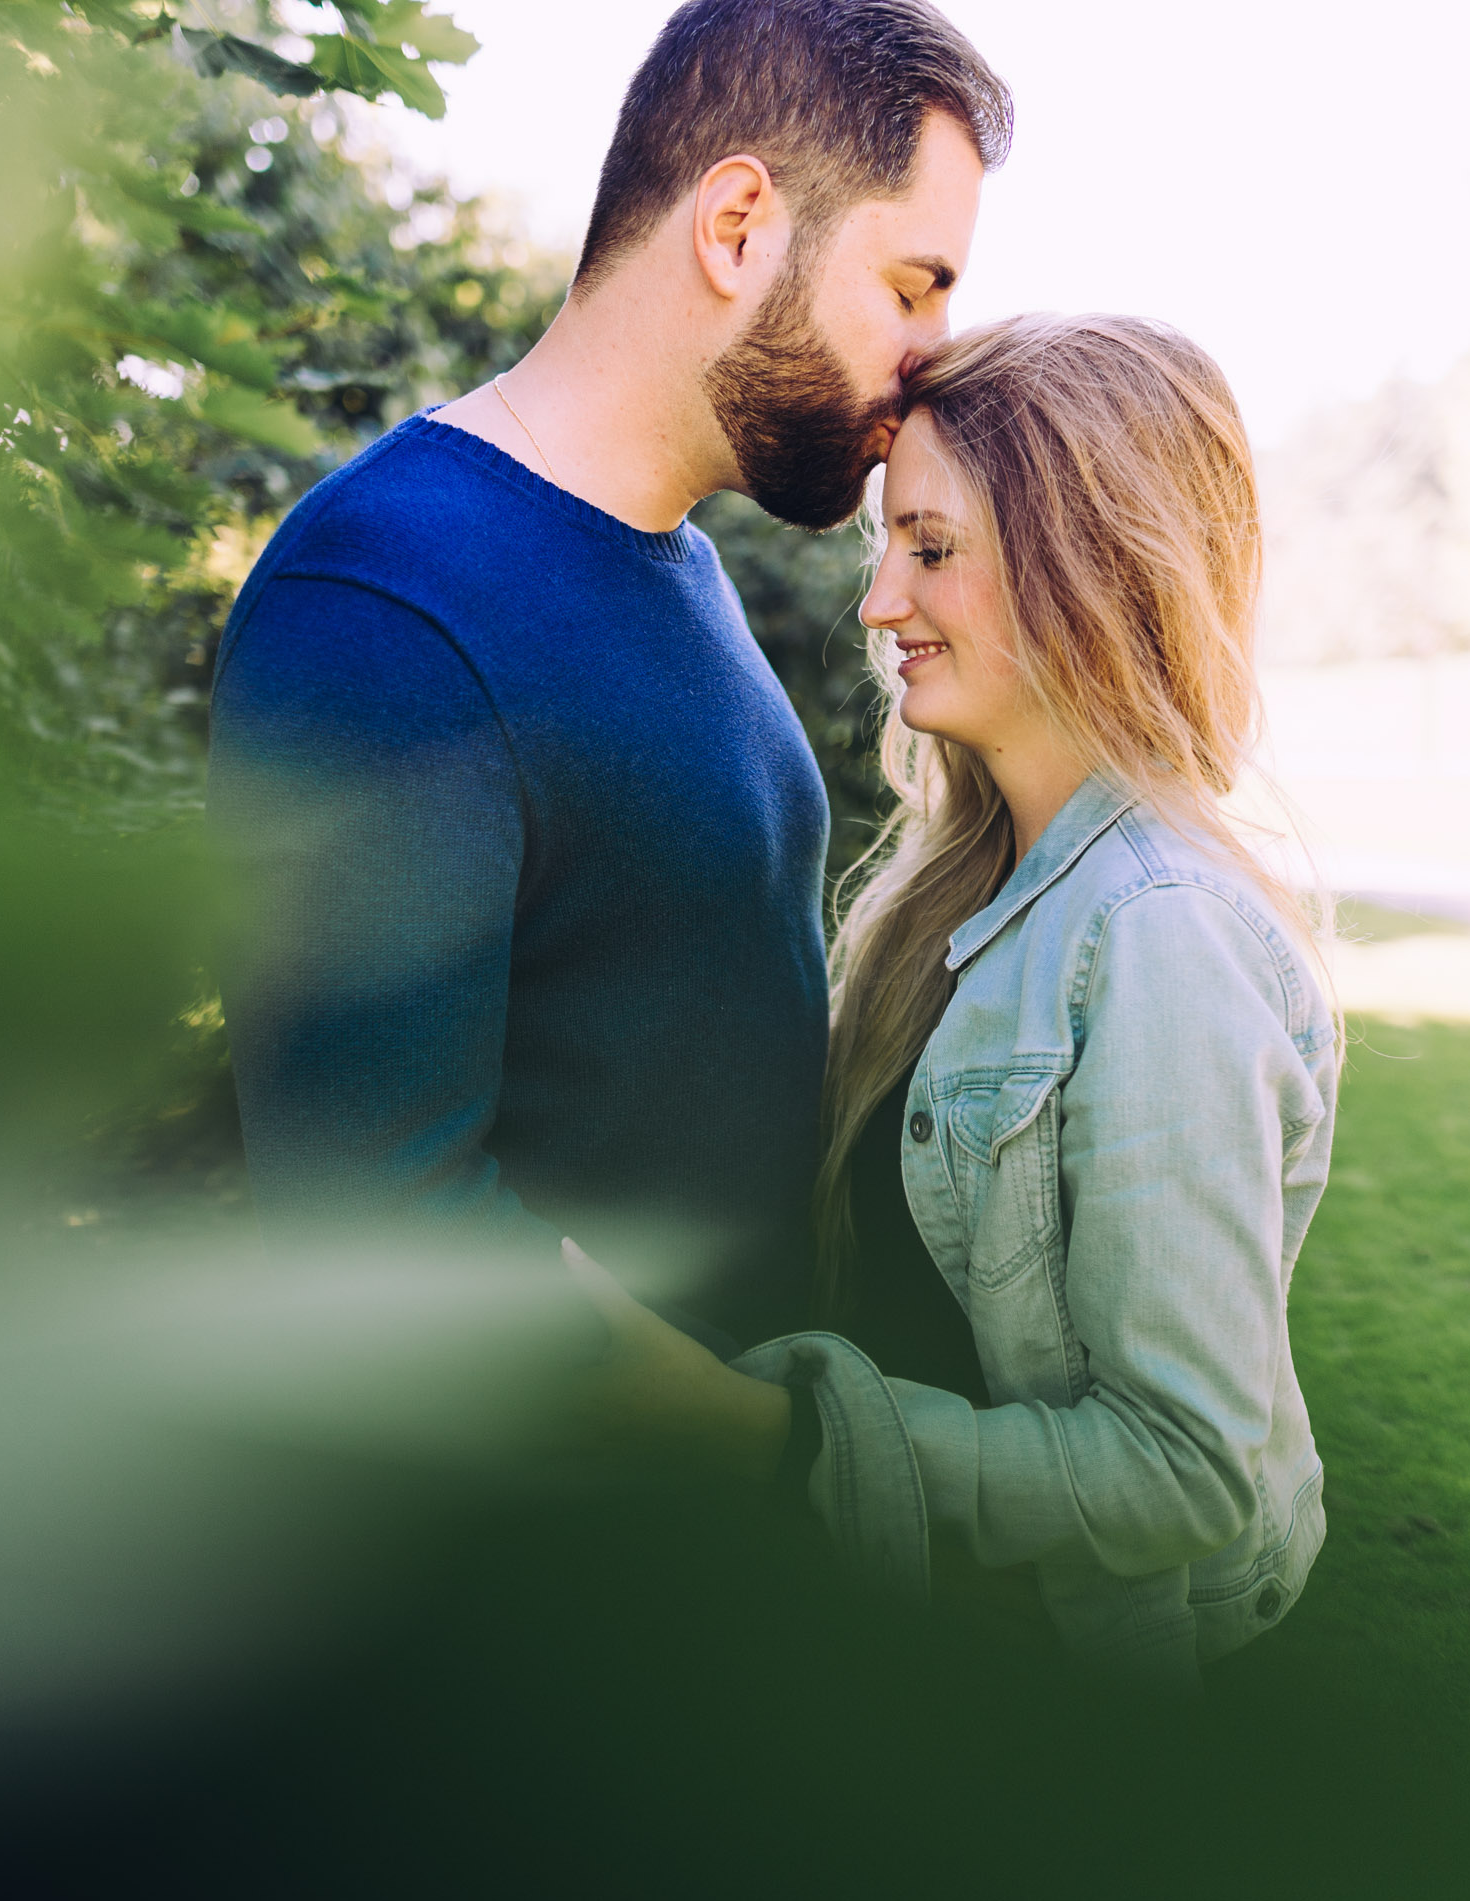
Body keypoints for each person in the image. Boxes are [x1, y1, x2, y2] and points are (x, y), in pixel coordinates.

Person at [209, 0, 1012, 1347]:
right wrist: (745, 1438)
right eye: (911, 286)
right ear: (737, 226)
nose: (933, 349)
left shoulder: (679, 565)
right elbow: (375, 1233)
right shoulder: (386, 601)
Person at [568, 314, 1336, 1677]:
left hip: (1051, 1698)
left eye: (930, 550)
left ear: (1089, 563)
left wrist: (755, 1431)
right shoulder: (962, 881)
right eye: (888, 549)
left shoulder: (1158, 932)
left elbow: (1184, 1471)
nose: (878, 605)